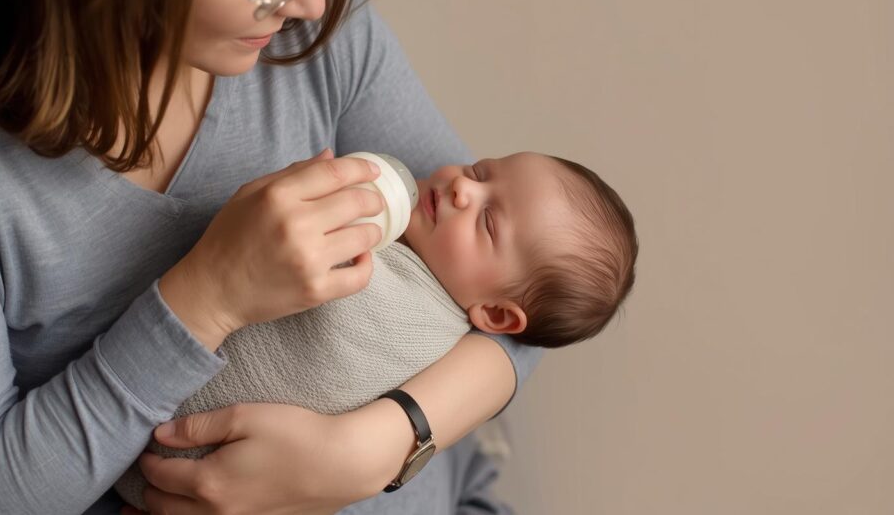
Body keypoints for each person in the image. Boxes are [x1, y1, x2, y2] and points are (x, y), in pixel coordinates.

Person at [0, 0, 545, 513]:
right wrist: (207, 296)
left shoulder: (317, 30)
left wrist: (380, 444)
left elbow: (542, 285)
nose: (311, 3)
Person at [114, 151, 638, 510]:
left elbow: (338, 326)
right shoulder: (425, 236)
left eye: (487, 222)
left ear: (497, 317)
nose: (462, 187)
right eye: (480, 169)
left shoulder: (411, 314)